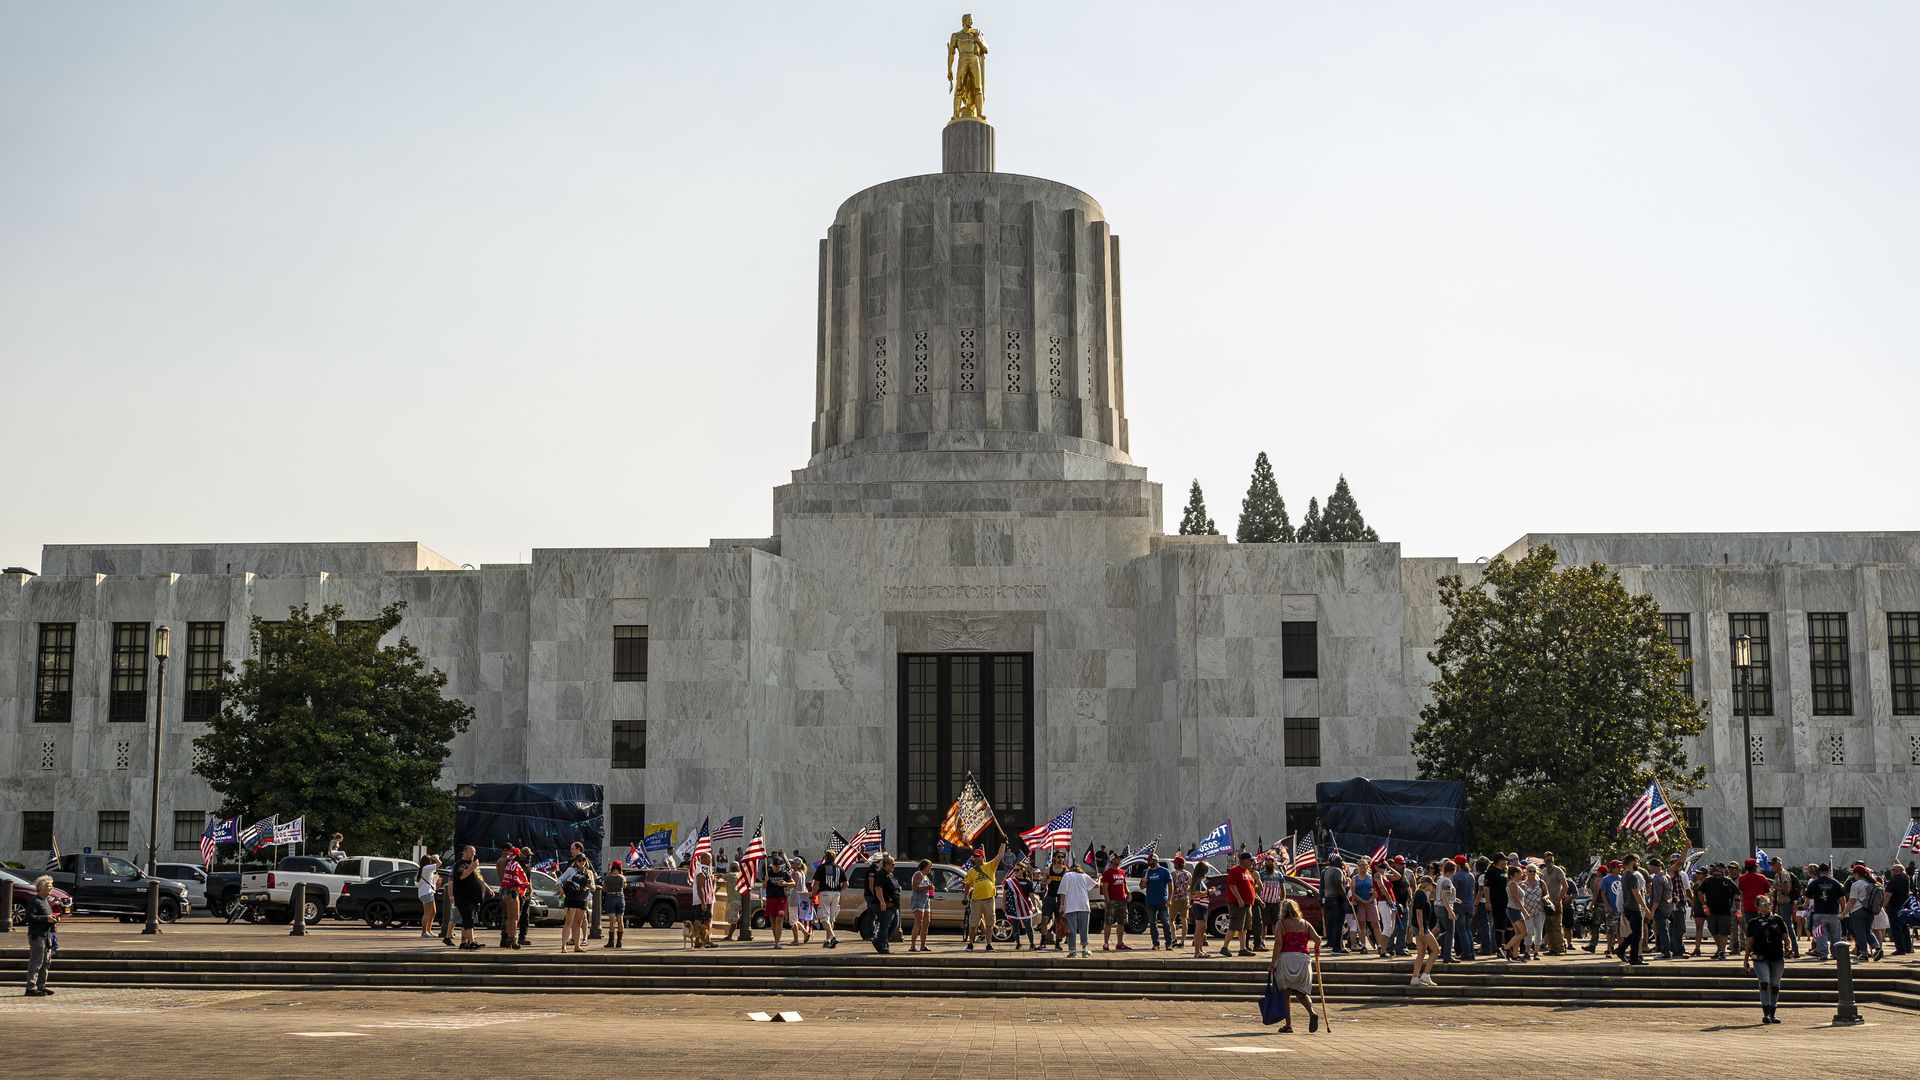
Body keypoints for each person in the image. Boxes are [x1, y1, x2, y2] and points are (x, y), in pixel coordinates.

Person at [1267, 899, 1323, 1032]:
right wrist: (1316, 947)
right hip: (1303, 959)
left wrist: (1272, 964)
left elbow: (1278, 944)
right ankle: (1312, 1012)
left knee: (1285, 994)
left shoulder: (1281, 924)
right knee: (1301, 992)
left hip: (1286, 959)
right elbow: (1318, 939)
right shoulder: (1305, 924)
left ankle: (1288, 1025)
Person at [1744, 894, 1790, 1024]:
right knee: (1764, 983)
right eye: (1763, 904)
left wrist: (1788, 947)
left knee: (1775, 985)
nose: (1767, 906)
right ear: (1757, 907)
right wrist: (1746, 959)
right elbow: (1749, 942)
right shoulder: (1753, 923)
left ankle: (1773, 1013)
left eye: (1768, 903)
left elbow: (1786, 938)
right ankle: (1766, 1013)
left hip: (1776, 957)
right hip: (1760, 957)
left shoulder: (1777, 920)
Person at [964, 842, 1007, 951]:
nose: (976, 859)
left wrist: (1002, 843)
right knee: (973, 924)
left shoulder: (990, 865)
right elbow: (967, 885)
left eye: (978, 857)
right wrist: (965, 897)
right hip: (976, 900)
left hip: (989, 899)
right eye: (975, 857)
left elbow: (1000, 855)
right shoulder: (971, 871)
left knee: (989, 923)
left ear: (983, 857)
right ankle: (970, 944)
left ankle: (988, 944)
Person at [23, 874, 58, 997]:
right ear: (41, 887)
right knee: (36, 961)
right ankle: (31, 987)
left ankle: (41, 986)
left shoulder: (45, 901)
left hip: (47, 935)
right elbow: (29, 917)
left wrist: (52, 920)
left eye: (51, 885)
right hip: (37, 936)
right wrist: (45, 918)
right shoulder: (35, 901)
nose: (51, 887)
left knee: (46, 962)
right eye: (49, 885)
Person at [1804, 863, 1846, 961]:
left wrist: (1805, 905)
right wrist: (1843, 911)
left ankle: (1823, 953)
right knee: (1835, 934)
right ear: (1829, 871)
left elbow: (1808, 897)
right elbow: (1842, 898)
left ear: (1819, 872)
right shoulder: (1835, 883)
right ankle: (1836, 954)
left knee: (1820, 934)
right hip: (1833, 913)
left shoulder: (1814, 883)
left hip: (1819, 913)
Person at [1698, 862, 1738, 960]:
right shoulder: (1708, 880)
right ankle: (1719, 949)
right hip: (1711, 911)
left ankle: (1721, 952)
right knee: (1714, 931)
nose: (1716, 871)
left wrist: (1739, 909)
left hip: (1725, 911)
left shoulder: (1728, 881)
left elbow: (1736, 895)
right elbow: (1700, 892)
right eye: (1715, 869)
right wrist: (1704, 905)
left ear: (1723, 870)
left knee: (1723, 932)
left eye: (1719, 869)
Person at [1843, 863, 1881, 961]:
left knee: (1860, 933)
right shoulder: (1872, 883)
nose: (1853, 876)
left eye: (1853, 874)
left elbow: (1852, 901)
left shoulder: (1856, 884)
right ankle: (1877, 947)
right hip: (1870, 911)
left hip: (1858, 911)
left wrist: (1844, 913)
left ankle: (1863, 954)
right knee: (1868, 931)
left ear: (1857, 874)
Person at [1058, 861, 1095, 957]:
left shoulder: (1067, 876)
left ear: (1071, 868)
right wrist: (1099, 878)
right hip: (1083, 905)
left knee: (1072, 929)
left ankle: (1072, 951)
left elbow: (1063, 892)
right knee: (1084, 928)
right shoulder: (1084, 875)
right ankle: (1084, 950)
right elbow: (1096, 885)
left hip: (1071, 905)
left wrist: (1061, 906)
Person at [1615, 854, 1648, 965]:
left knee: (1635, 933)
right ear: (1633, 861)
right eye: (1637, 861)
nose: (1638, 863)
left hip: (1627, 907)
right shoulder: (1633, 876)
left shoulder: (1624, 875)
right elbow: (1637, 894)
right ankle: (1631, 955)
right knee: (1637, 934)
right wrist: (1646, 908)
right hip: (1634, 907)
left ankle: (1624, 950)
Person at [451, 845, 486, 950]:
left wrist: (487, 889)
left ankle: (463, 942)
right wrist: (472, 867)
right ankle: (472, 942)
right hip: (464, 898)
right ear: (464, 853)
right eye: (471, 852)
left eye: (474, 852)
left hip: (472, 899)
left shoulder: (470, 865)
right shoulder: (460, 865)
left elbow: (478, 879)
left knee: (466, 922)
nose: (473, 854)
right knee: (468, 920)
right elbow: (461, 876)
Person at [1225, 852, 1259, 957]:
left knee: (1243, 927)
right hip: (1237, 904)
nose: (1252, 862)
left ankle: (1242, 948)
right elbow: (1232, 885)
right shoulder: (1235, 870)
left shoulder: (1248, 872)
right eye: (1250, 860)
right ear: (1243, 860)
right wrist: (1239, 899)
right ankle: (1224, 947)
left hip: (1247, 904)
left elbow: (1251, 887)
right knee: (1234, 925)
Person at [552, 852, 588, 952]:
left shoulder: (587, 872)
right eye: (579, 860)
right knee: (569, 922)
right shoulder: (571, 870)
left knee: (578, 923)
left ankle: (577, 945)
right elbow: (559, 881)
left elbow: (593, 887)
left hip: (581, 899)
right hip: (571, 898)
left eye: (583, 860)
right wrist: (562, 891)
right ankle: (563, 946)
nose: (582, 862)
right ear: (576, 861)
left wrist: (587, 883)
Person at [813, 850, 845, 949]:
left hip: (825, 893)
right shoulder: (839, 868)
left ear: (825, 857)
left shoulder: (821, 868)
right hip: (836, 894)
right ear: (834, 857)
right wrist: (839, 890)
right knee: (831, 918)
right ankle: (828, 941)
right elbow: (846, 884)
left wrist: (813, 894)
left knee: (823, 917)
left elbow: (816, 883)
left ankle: (832, 936)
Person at [869, 854, 900, 953]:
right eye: (892, 864)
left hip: (893, 906)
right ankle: (883, 946)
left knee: (894, 924)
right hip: (885, 905)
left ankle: (878, 941)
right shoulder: (881, 874)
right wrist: (882, 902)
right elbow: (878, 888)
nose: (893, 866)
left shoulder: (890, 875)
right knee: (884, 926)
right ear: (886, 864)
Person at [1100, 854, 1132, 952]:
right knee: (1108, 922)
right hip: (1112, 900)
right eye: (1117, 858)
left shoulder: (1122, 872)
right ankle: (1106, 943)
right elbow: (1105, 888)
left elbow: (1124, 884)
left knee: (1121, 922)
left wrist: (1128, 893)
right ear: (1113, 860)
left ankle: (1120, 943)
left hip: (1122, 900)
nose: (1119, 860)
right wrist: (1108, 900)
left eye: (1119, 858)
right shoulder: (1107, 873)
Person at [1006, 860, 1040, 949]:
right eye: (1014, 870)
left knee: (1028, 926)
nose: (1015, 872)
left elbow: (1031, 895)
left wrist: (1034, 907)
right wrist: (1004, 905)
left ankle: (1032, 944)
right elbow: (1005, 894)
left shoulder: (1027, 882)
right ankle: (1018, 944)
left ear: (1022, 870)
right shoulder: (1010, 881)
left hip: (1025, 906)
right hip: (1013, 907)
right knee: (1015, 926)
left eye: (1017, 870)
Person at [1142, 854, 1174, 950]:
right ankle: (1155, 943)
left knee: (1165, 922)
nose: (1148, 862)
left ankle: (1168, 943)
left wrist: (1169, 899)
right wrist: (1144, 882)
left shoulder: (1164, 871)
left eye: (1150, 860)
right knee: (1152, 923)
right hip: (1150, 901)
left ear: (1155, 860)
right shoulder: (1146, 872)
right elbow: (1142, 887)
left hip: (1162, 901)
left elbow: (1171, 886)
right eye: (1147, 860)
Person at [1539, 853, 1567, 954]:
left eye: (1551, 858)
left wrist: (1559, 898)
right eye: (1547, 858)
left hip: (1556, 902)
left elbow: (1565, 886)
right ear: (1544, 860)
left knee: (1557, 926)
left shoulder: (1558, 870)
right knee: (1548, 927)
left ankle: (1560, 947)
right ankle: (1552, 948)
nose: (1549, 860)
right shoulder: (1543, 872)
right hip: (1547, 904)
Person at [762, 851, 791, 949]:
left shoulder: (784, 873)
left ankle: (777, 942)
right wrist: (765, 881)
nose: (778, 868)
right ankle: (776, 941)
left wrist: (785, 884)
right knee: (773, 921)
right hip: (771, 898)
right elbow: (763, 886)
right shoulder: (768, 873)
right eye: (776, 866)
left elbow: (793, 883)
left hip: (781, 898)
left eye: (779, 866)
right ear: (772, 866)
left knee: (779, 918)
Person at [689, 850, 717, 948]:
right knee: (699, 921)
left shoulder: (707, 869)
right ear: (704, 859)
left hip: (708, 898)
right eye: (710, 858)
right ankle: (704, 940)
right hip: (702, 899)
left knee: (706, 920)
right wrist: (703, 902)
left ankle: (701, 941)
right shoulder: (701, 870)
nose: (711, 860)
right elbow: (700, 888)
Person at [1321, 859, 1349, 954]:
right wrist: (1346, 899)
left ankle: (1337, 945)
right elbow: (1339, 886)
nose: (1342, 862)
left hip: (1328, 899)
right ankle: (1337, 947)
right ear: (1335, 862)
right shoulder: (1337, 871)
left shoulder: (1327, 870)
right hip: (1337, 900)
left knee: (1333, 924)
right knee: (1339, 924)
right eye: (1340, 861)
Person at [1519, 864, 1546, 961]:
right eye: (1530, 871)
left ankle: (1536, 952)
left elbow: (1547, 894)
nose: (1532, 873)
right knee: (1529, 931)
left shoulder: (1541, 882)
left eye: (1534, 871)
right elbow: (1518, 897)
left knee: (1539, 931)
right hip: (1527, 911)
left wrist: (1544, 898)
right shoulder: (1523, 884)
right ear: (1526, 872)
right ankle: (1527, 951)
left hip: (1540, 910)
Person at [909, 858, 935, 952]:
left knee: (926, 923)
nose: (930, 868)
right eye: (929, 866)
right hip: (918, 900)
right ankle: (912, 946)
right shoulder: (918, 874)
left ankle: (923, 945)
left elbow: (927, 888)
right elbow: (915, 887)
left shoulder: (926, 877)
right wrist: (927, 887)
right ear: (925, 866)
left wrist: (930, 888)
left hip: (926, 901)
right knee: (918, 922)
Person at [1886, 862, 1913, 955]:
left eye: (1892, 870)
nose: (1891, 871)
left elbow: (1887, 896)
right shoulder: (1906, 879)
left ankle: (1900, 949)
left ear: (1896, 871)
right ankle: (1908, 948)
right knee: (1905, 927)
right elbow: (1904, 871)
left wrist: (1882, 905)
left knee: (1896, 928)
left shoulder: (1893, 882)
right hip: (1905, 907)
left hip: (1894, 907)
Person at [1044, 850, 1069, 949]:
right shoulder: (1048, 870)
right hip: (1050, 897)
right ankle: (1043, 941)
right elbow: (1042, 882)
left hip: (1060, 898)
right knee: (1045, 919)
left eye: (1062, 857)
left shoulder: (1066, 871)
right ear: (1054, 858)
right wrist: (1046, 881)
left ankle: (1058, 943)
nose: (1060, 859)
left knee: (1059, 921)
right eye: (1058, 857)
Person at [1189, 863, 1214, 957]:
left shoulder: (1199, 881)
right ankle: (1197, 952)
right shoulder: (1198, 881)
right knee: (1199, 929)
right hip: (1199, 906)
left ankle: (1200, 950)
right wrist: (1208, 892)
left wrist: (1208, 892)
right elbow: (1198, 893)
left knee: (1203, 929)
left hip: (1203, 906)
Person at [789, 856, 814, 945]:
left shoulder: (795, 873)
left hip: (794, 898)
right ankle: (805, 933)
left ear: (796, 865)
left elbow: (792, 885)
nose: (791, 865)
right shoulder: (802, 873)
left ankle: (796, 940)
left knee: (792, 921)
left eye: (792, 863)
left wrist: (785, 883)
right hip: (799, 898)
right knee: (795, 919)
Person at [601, 861, 627, 948]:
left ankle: (611, 942)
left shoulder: (607, 877)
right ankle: (619, 942)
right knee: (620, 920)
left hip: (610, 896)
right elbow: (624, 886)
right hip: (620, 897)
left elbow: (604, 887)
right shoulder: (622, 877)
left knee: (612, 921)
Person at [416, 855, 440, 939]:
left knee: (433, 912)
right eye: (430, 861)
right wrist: (436, 858)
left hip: (428, 892)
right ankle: (424, 933)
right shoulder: (426, 868)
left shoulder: (423, 869)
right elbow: (439, 863)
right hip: (426, 893)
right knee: (427, 913)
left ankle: (428, 931)